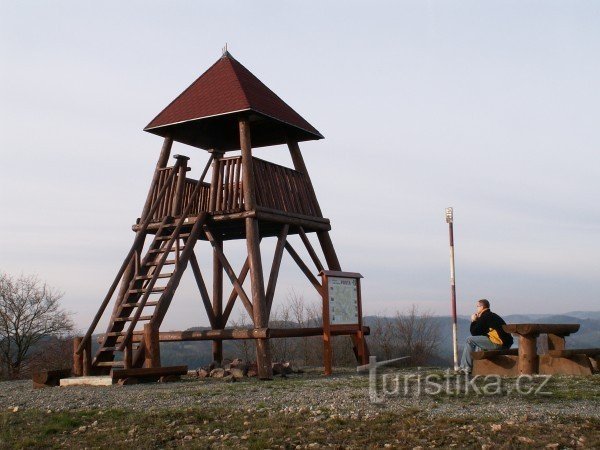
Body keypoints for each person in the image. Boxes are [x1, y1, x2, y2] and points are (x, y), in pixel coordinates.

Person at [459, 299, 513, 374]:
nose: (477, 308)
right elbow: (480, 333)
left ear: (482, 307)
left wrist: (473, 320)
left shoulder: (485, 316)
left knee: (469, 340)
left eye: (477, 306)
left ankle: (465, 368)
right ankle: (475, 367)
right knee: (477, 341)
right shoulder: (493, 315)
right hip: (506, 344)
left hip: (498, 343)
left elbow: (474, 332)